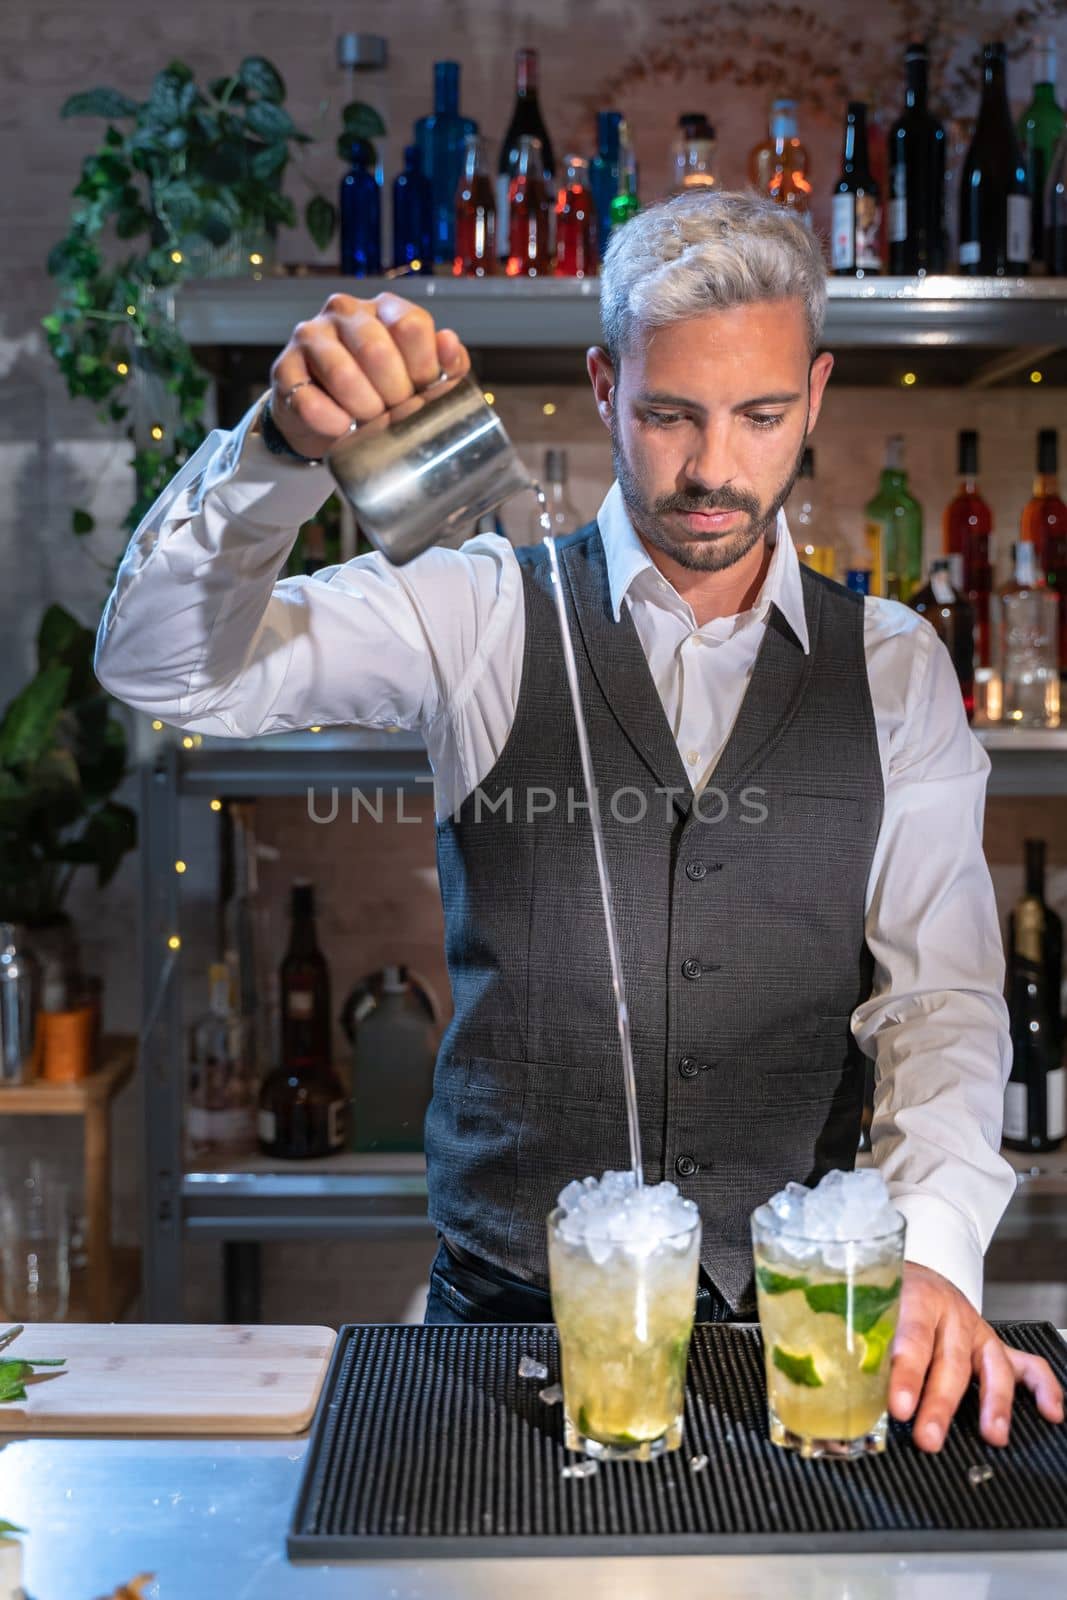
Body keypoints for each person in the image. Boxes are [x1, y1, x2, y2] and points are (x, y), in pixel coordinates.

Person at [95, 189, 1063, 1453]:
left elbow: (938, 1003)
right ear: (604, 385)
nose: (713, 467)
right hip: (504, 1333)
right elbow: (167, 670)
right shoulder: (478, 610)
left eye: (759, 415)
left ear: (815, 398)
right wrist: (276, 449)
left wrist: (925, 1252)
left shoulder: (894, 665)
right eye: (667, 414)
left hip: (801, 1336)